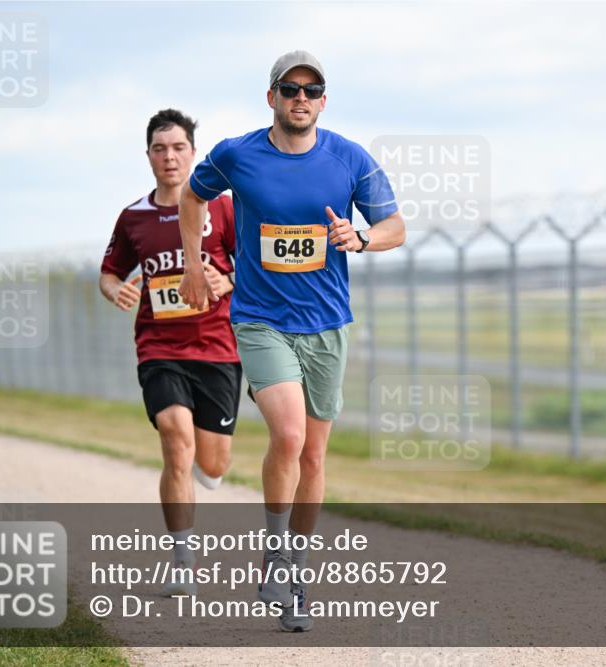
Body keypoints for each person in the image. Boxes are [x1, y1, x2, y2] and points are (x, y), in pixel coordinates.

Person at [178, 50, 405, 631]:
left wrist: (359, 237)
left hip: (327, 324)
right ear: (272, 97)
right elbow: (192, 197)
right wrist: (195, 266)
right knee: (288, 432)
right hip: (260, 320)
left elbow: (394, 228)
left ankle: (290, 567)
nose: (300, 98)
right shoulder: (238, 154)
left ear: (323, 101)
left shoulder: (349, 158)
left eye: (312, 89)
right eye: (289, 88)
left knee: (313, 455)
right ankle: (277, 547)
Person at [100, 108, 241, 597]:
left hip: (219, 348)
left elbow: (255, 268)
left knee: (214, 466)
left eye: (178, 147)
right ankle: (183, 559)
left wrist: (230, 279)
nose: (169, 157)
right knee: (174, 436)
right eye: (160, 149)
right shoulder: (133, 216)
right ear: (148, 157)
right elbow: (109, 271)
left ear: (193, 154)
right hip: (159, 346)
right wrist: (114, 289)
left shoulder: (222, 208)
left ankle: (211, 465)